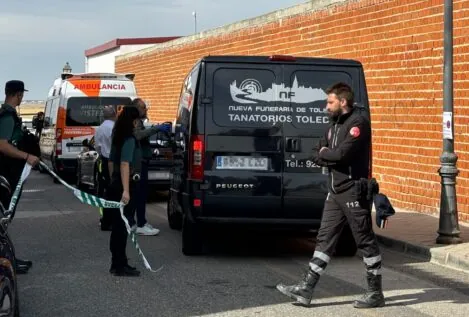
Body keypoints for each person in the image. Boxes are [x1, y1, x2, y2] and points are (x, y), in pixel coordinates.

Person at [275, 82, 385, 309]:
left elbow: (342, 155)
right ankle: (307, 288)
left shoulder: (358, 123)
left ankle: (375, 292)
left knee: (364, 240)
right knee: (324, 240)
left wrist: (328, 154)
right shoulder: (332, 125)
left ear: (342, 102)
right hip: (334, 192)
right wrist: (327, 154)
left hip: (353, 191)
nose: (326, 106)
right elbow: (315, 153)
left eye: (330, 102)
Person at [0, 80, 40, 274]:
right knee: (4, 217)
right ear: (18, 95)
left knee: (5, 217)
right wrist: (26, 156)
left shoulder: (7, 114)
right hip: (7, 173)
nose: (22, 97)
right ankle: (6, 260)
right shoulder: (7, 116)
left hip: (9, 171)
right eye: (21, 94)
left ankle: (8, 258)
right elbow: (3, 145)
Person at [105, 106, 142, 277]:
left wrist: (113, 180)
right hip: (125, 186)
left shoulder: (117, 137)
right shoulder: (129, 139)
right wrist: (126, 190)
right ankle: (120, 264)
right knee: (123, 226)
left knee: (117, 226)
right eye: (138, 121)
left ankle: (117, 262)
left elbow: (111, 161)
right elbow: (125, 163)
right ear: (133, 121)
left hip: (114, 184)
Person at [128, 98, 170, 236]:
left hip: (141, 162)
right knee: (139, 194)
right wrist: (157, 128)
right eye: (144, 107)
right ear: (137, 109)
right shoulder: (135, 121)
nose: (146, 110)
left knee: (140, 193)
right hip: (138, 164)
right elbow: (138, 135)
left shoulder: (137, 121)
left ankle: (137, 222)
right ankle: (138, 223)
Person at [94, 106, 117, 231]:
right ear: (114, 114)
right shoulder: (114, 128)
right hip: (112, 162)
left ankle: (105, 219)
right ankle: (112, 219)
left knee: (105, 190)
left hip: (103, 160)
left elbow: (97, 146)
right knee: (114, 191)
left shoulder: (99, 129)